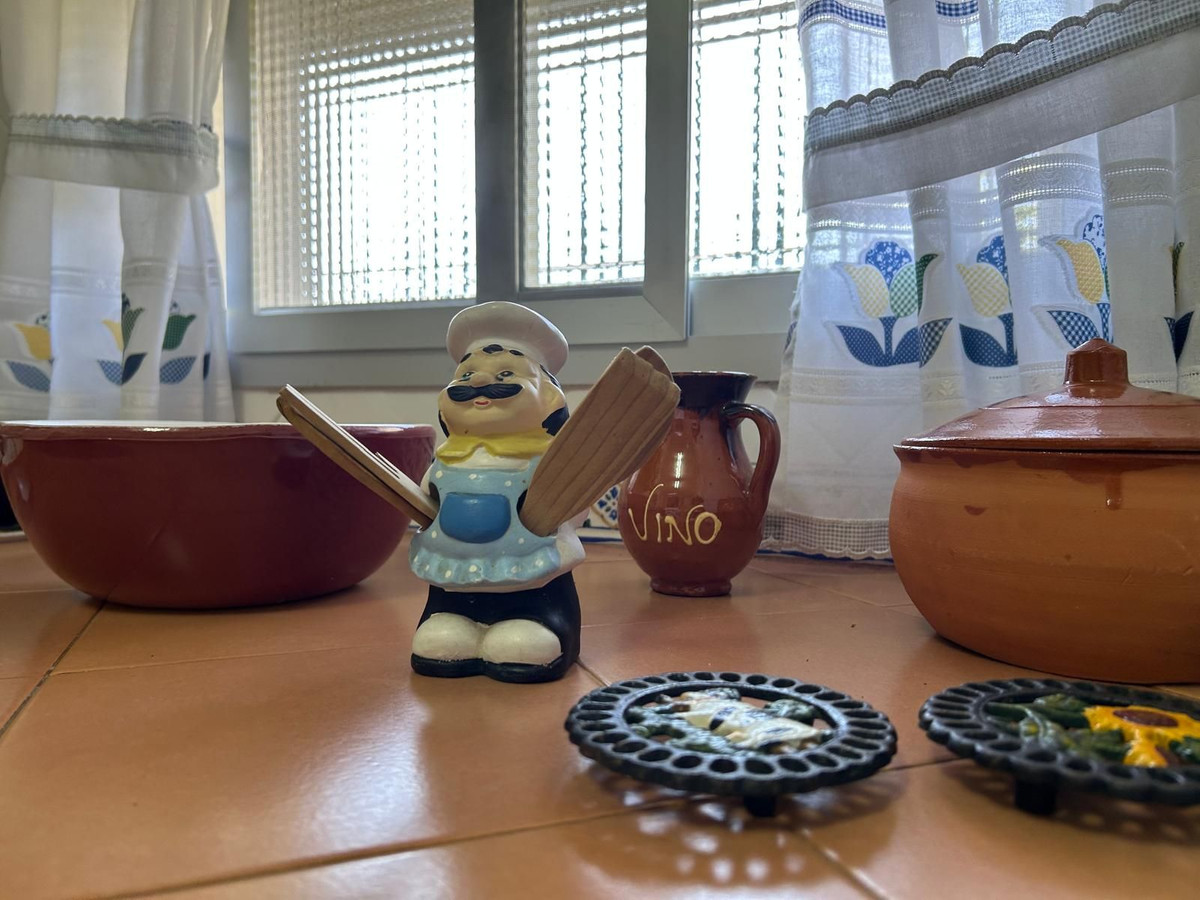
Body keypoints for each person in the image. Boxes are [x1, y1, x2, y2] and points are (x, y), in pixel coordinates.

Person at [409, 301, 585, 683]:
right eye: (466, 374)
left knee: (524, 639)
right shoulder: (445, 461)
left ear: (551, 398)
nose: (478, 382)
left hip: (531, 579)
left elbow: (572, 509)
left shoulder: (548, 464)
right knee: (442, 634)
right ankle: (450, 620)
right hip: (453, 572)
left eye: (506, 373)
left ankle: (540, 625)